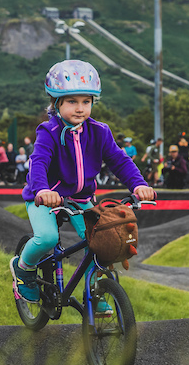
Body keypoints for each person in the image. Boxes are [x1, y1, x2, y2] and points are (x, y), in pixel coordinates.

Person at [11, 60, 155, 306]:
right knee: (46, 238)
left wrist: (138, 185)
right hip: (44, 197)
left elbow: (120, 161)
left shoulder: (99, 131)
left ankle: (96, 290)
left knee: (102, 242)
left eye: (86, 102)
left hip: (80, 200)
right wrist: (42, 190)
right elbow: (39, 162)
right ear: (56, 103)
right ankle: (23, 269)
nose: (80, 108)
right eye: (71, 101)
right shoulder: (49, 131)